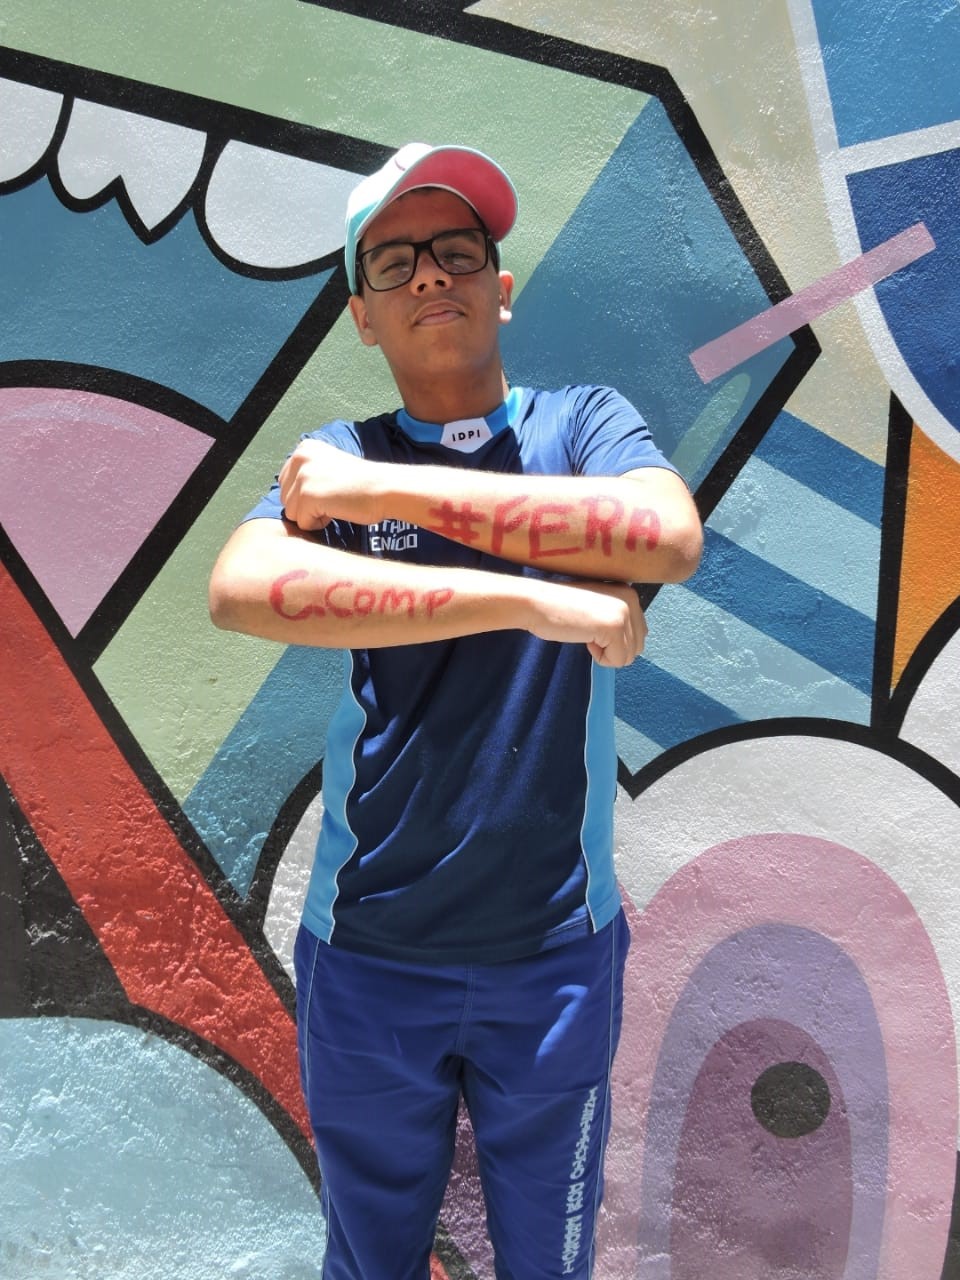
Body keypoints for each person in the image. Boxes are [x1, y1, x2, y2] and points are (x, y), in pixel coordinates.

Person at [209, 142, 703, 1279]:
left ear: (501, 284)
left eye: (455, 249)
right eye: (393, 262)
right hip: (371, 951)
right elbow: (240, 588)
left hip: (555, 954)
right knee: (369, 1262)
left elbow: (667, 537)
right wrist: (535, 598)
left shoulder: (579, 427)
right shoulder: (334, 454)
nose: (429, 273)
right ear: (362, 316)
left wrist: (388, 494)